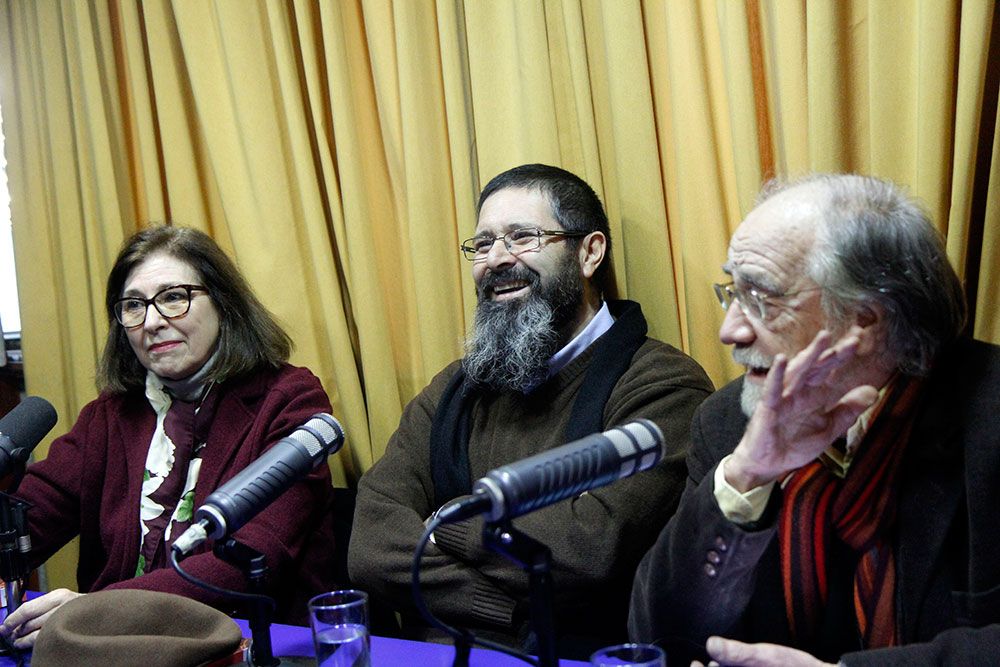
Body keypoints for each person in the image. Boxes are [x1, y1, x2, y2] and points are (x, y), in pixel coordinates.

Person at [628, 174, 1000, 665]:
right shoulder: (726, 423)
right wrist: (747, 475)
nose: (730, 331)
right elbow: (657, 634)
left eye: (760, 298)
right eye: (731, 293)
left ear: (865, 318)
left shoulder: (986, 415)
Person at [348, 163, 713, 657]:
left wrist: (442, 524)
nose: (496, 259)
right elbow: (371, 545)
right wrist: (511, 609)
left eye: (522, 237)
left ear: (589, 253)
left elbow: (592, 552)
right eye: (482, 244)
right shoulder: (451, 389)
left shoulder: (663, 384)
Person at [0, 225, 338, 649]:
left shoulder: (289, 401)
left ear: (224, 303)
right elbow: (31, 517)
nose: (153, 322)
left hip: (250, 646)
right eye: (134, 306)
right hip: (118, 652)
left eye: (174, 298)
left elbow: (250, 557)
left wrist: (95, 612)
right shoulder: (112, 413)